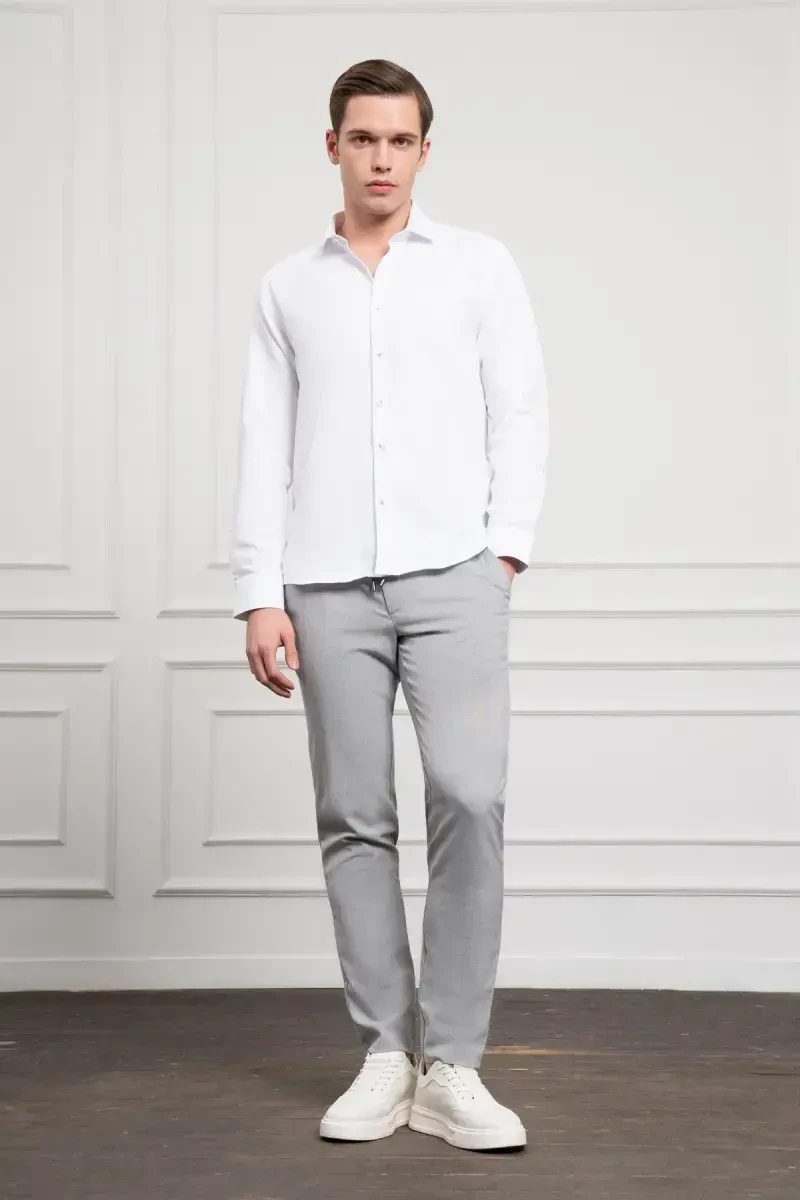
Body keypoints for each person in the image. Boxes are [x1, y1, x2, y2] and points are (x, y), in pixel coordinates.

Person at [229, 58, 548, 1152]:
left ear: (423, 150)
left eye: (398, 140)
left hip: (456, 573)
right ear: (332, 147)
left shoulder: (478, 267)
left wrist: (504, 554)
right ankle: (384, 1053)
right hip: (322, 586)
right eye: (361, 138)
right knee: (354, 816)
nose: (380, 158)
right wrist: (257, 594)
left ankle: (451, 1063)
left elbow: (520, 410)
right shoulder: (288, 288)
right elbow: (264, 445)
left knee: (468, 794)